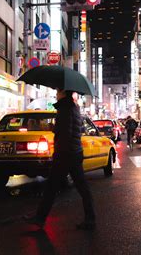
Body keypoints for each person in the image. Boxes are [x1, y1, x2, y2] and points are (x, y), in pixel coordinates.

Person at [25, 89, 96, 230]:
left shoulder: (65, 108)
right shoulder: (73, 107)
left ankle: (40, 218)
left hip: (66, 153)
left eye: (58, 91)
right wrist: (55, 128)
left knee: (52, 187)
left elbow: (65, 132)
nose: (56, 93)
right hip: (74, 152)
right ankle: (90, 219)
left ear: (63, 93)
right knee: (82, 188)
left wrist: (58, 150)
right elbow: (68, 129)